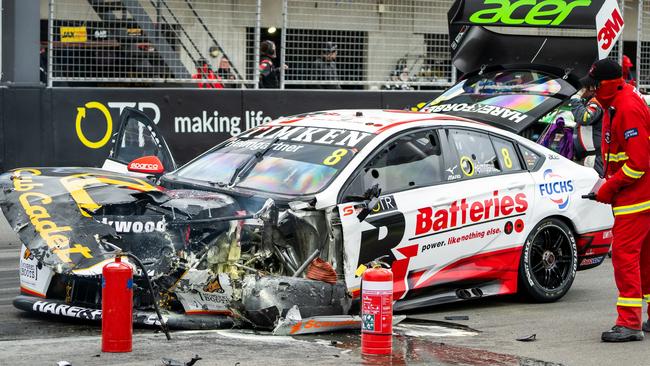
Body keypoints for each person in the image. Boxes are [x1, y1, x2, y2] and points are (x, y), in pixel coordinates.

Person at [585, 58, 650, 342]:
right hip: (639, 198)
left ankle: (629, 323)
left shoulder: (626, 107)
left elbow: (638, 163)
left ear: (605, 84)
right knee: (646, 260)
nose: (590, 91)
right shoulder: (619, 101)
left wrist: (608, 188)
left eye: (593, 85)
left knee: (625, 258)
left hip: (636, 200)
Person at [569, 85, 604, 176]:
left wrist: (576, 98)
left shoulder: (596, 102)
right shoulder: (588, 102)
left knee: (597, 187)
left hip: (595, 158)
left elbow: (584, 118)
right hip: (587, 158)